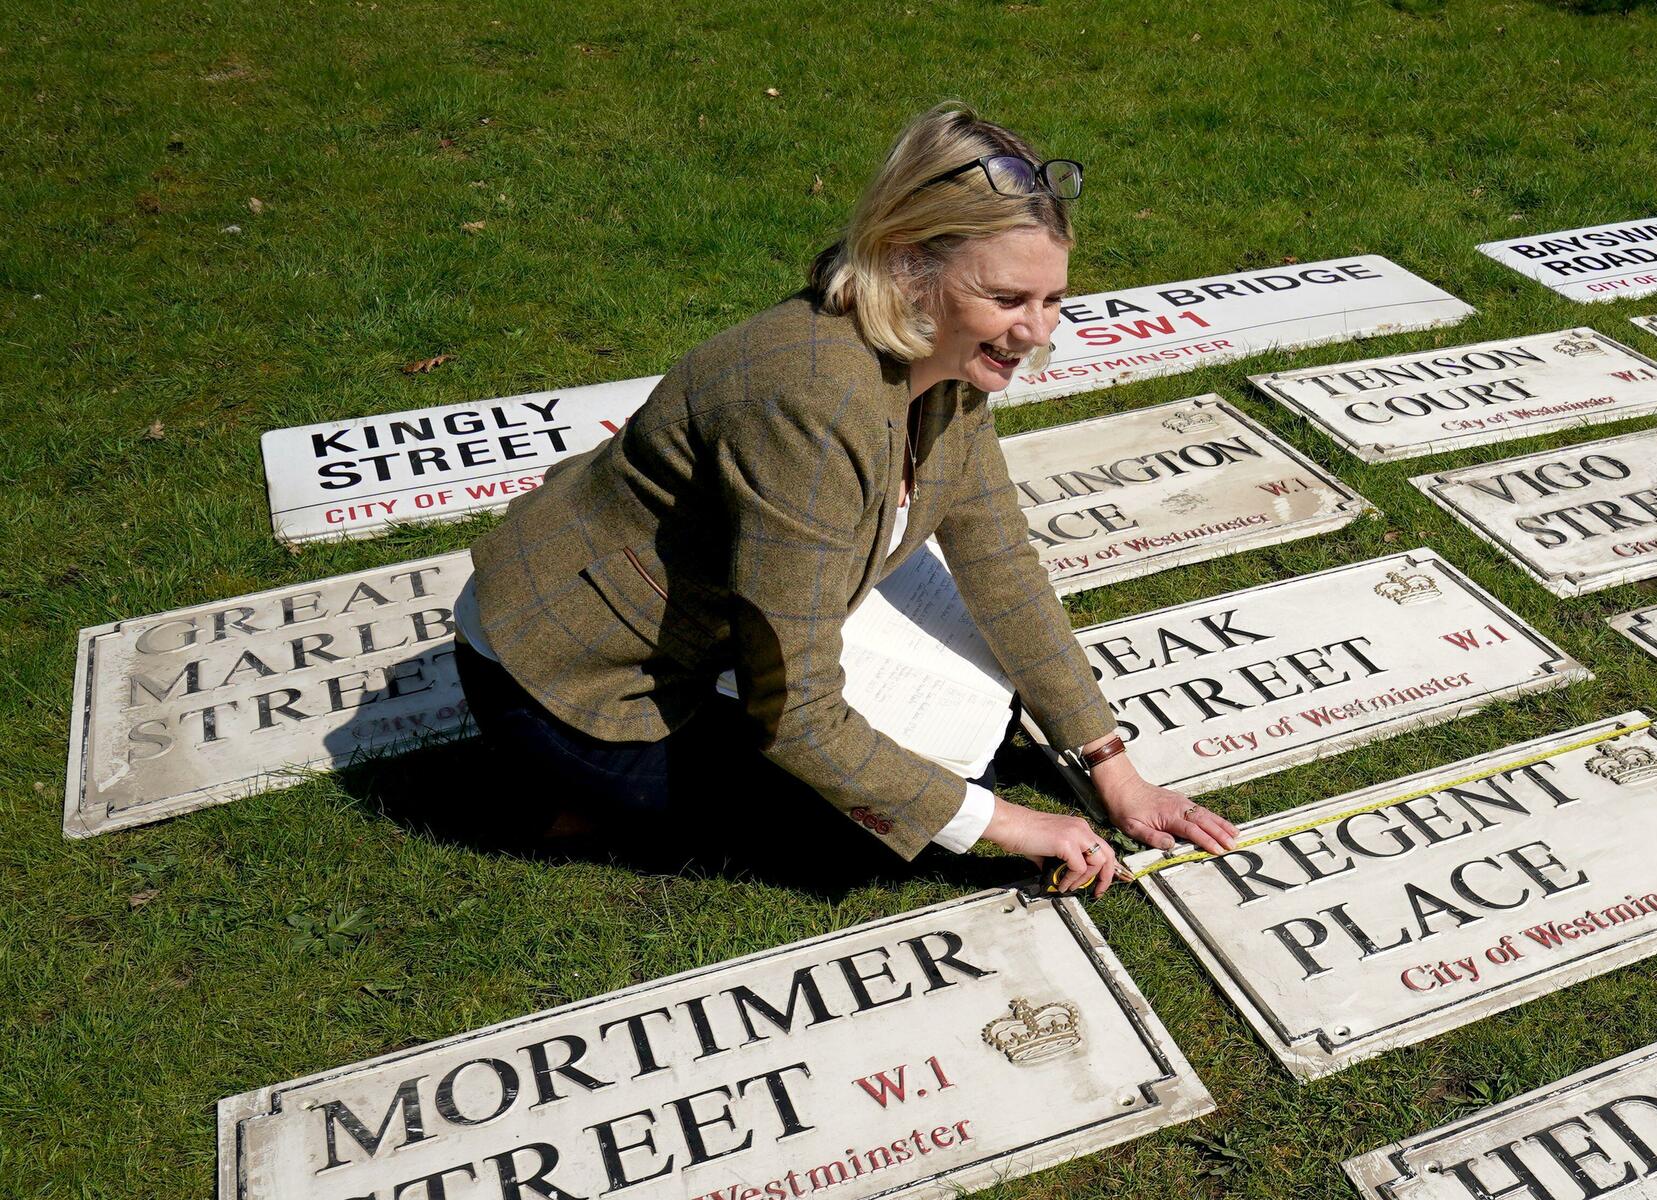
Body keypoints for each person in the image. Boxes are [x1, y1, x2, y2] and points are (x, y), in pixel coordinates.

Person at [452, 104, 1235, 895]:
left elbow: (1002, 567)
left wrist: (1113, 768)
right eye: (1006, 298)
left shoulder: (946, 361)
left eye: (1053, 299)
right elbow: (794, 713)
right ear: (906, 266)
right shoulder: (815, 407)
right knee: (860, 838)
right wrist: (1006, 823)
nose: (1035, 332)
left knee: (966, 760)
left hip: (694, 619)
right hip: (570, 675)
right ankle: (560, 797)